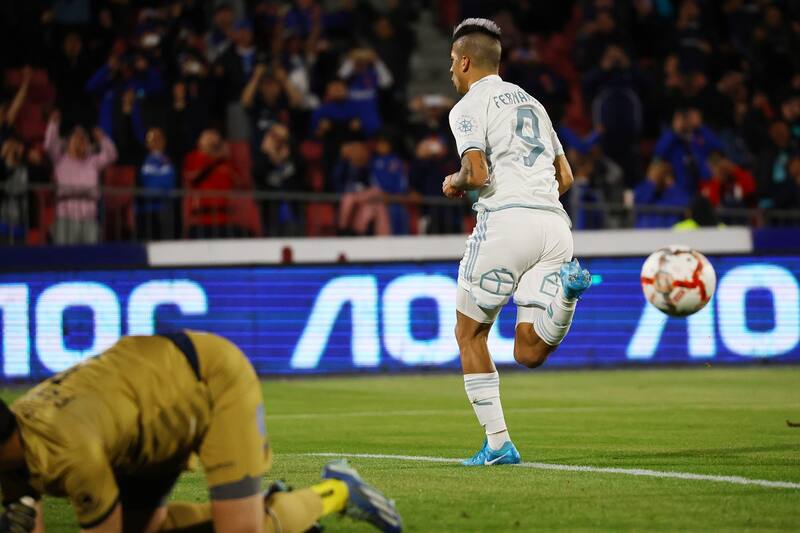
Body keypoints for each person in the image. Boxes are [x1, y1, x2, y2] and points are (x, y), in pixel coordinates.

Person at [0, 331, 402, 533]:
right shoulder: (17, 427)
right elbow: (23, 503)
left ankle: (335, 491)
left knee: (240, 531)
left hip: (210, 380)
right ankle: (261, 506)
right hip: (142, 408)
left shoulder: (73, 453)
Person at [443, 18, 592, 467]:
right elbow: (565, 177)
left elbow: (478, 174)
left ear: (466, 61)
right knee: (528, 350)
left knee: (470, 333)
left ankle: (497, 444)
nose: (451, 70)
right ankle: (566, 296)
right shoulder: (535, 104)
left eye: (452, 62)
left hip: (506, 223)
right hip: (554, 226)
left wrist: (454, 182)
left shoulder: (468, 106)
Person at [44, 111, 117, 245]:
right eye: (77, 138)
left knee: (90, 260)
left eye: (84, 139)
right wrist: (53, 125)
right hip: (65, 219)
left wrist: (102, 138)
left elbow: (111, 155)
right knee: (64, 260)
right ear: (68, 142)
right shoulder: (60, 159)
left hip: (89, 219)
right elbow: (49, 145)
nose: (81, 141)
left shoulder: (92, 161)